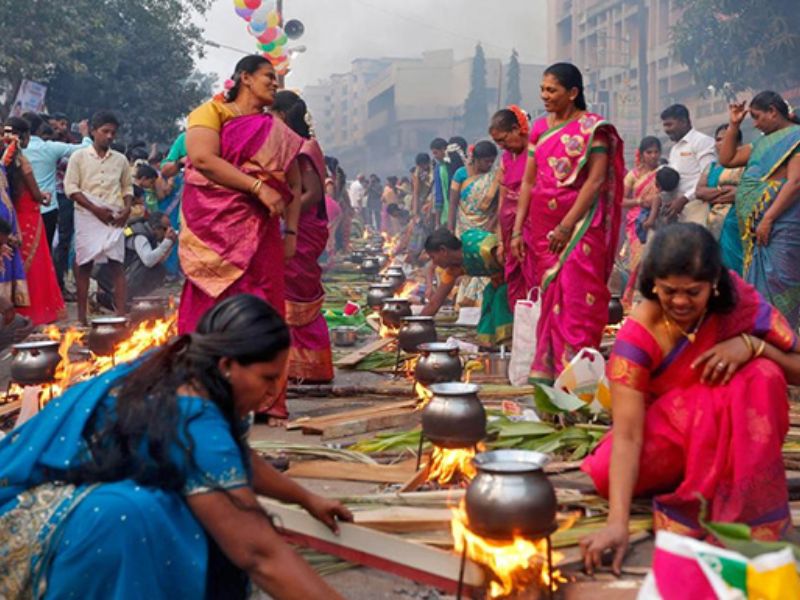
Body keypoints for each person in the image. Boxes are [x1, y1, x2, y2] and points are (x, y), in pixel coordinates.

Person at [0, 294, 352, 599]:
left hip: (52, 513)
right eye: (267, 378)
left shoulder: (181, 368)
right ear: (228, 365)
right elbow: (260, 554)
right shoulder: (193, 415)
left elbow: (229, 458)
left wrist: (306, 498)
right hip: (54, 536)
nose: (273, 392)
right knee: (157, 514)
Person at [580, 223, 800, 575]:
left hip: (728, 432)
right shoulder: (638, 336)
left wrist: (752, 346)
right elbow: (628, 435)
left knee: (762, 376)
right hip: (668, 437)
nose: (680, 302)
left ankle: (743, 502)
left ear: (714, 284)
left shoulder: (738, 305)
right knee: (607, 475)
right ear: (653, 284)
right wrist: (617, 523)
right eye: (669, 291)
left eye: (693, 292)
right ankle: (703, 477)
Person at [181, 56, 303, 427]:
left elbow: (294, 185)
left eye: (277, 79)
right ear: (245, 78)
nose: (274, 84)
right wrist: (256, 187)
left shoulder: (274, 128)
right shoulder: (211, 112)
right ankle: (199, 391)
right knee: (210, 305)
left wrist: (292, 233)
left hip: (262, 233)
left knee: (261, 306)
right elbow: (202, 160)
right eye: (269, 77)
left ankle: (263, 398)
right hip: (213, 232)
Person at [510, 62, 625, 384]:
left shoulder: (593, 129)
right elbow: (529, 183)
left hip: (581, 225)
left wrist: (566, 224)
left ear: (572, 93)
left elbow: (596, 180)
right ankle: (548, 376)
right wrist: (518, 231)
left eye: (552, 90)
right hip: (542, 227)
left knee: (578, 299)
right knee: (551, 299)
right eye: (542, 90)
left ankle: (577, 380)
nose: (545, 96)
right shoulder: (539, 130)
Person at [718, 91, 800, 328]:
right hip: (757, 234)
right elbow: (728, 158)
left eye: (756, 116)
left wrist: (769, 218)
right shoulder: (761, 143)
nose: (754, 123)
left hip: (782, 226)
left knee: (783, 284)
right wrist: (734, 124)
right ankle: (769, 338)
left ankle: (788, 341)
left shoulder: (795, 139)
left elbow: (795, 183)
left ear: (773, 111)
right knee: (761, 290)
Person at [270, 90, 334, 387]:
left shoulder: (304, 148)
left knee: (300, 296)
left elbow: (312, 193)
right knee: (290, 294)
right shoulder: (301, 145)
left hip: (303, 227)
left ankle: (310, 367)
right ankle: (296, 366)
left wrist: (285, 214)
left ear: (282, 114)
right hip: (301, 224)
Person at [64, 111, 133, 325]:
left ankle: (120, 315)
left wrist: (127, 209)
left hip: (114, 215)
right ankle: (82, 319)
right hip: (87, 214)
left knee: (116, 264)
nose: (110, 136)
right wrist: (95, 209)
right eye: (105, 131)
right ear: (93, 131)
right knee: (84, 264)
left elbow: (127, 187)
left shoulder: (120, 159)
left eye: (113, 132)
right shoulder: (79, 157)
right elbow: (71, 188)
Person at [3, 118, 65, 325]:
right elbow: (35, 194)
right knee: (36, 265)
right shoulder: (20, 160)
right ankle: (37, 311)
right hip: (29, 217)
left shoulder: (5, 161)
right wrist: (44, 197)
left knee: (16, 262)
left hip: (10, 220)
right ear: (25, 136)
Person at [423, 228, 512, 345]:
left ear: (443, 250)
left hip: (517, 277)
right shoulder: (453, 269)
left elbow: (511, 260)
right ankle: (490, 346)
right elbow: (435, 302)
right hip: (499, 280)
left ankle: (508, 344)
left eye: (433, 257)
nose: (434, 263)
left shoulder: (482, 249)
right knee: (488, 295)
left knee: (500, 297)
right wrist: (414, 325)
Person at [21, 112, 91, 248]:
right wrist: (85, 134)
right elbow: (86, 149)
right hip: (48, 208)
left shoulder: (13, 149)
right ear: (40, 129)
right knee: (44, 250)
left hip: (22, 206)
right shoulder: (50, 148)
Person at [447, 141, 500, 308]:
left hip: (486, 227)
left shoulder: (495, 178)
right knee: (466, 265)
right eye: (486, 161)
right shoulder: (460, 174)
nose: (489, 165)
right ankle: (465, 302)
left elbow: (500, 206)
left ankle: (482, 302)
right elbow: (453, 203)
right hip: (464, 226)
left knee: (485, 262)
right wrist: (450, 227)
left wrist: (490, 226)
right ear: (475, 159)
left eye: (492, 161)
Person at [490, 106, 533, 308]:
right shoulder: (506, 158)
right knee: (514, 279)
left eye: (503, 139)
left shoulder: (537, 151)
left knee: (534, 278)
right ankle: (520, 330)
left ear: (517, 129)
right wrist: (501, 239)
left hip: (532, 226)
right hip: (509, 230)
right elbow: (502, 200)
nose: (501, 146)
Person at [94, 211, 176, 311]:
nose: (167, 232)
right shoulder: (140, 235)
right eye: (165, 229)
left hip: (124, 272)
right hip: (110, 274)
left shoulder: (150, 234)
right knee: (151, 269)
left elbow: (159, 259)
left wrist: (170, 243)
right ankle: (119, 300)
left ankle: (130, 299)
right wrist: (167, 242)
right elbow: (149, 261)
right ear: (155, 228)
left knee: (159, 270)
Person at [695, 124, 745, 272]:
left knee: (738, 264)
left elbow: (747, 191)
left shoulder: (746, 163)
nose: (720, 143)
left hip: (737, 222)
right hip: (714, 223)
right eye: (717, 139)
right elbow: (699, 192)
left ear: (738, 142)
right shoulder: (711, 167)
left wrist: (736, 193)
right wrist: (724, 192)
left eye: (726, 139)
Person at [620, 136, 662, 310]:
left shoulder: (663, 172)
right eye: (649, 152)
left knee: (655, 259)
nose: (653, 156)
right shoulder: (633, 175)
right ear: (642, 154)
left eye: (656, 152)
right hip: (636, 223)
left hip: (659, 220)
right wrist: (639, 202)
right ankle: (630, 301)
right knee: (637, 261)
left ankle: (653, 299)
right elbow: (620, 200)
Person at [660, 104, 716, 226]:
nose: (666, 129)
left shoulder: (702, 141)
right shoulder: (674, 149)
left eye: (669, 124)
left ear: (684, 122)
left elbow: (708, 175)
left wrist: (684, 199)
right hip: (679, 211)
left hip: (699, 208)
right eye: (664, 125)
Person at [430, 137, 450, 226]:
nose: (435, 156)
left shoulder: (447, 166)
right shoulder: (438, 168)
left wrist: (437, 222)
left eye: (436, 153)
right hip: (446, 213)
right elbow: (439, 194)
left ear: (444, 150)